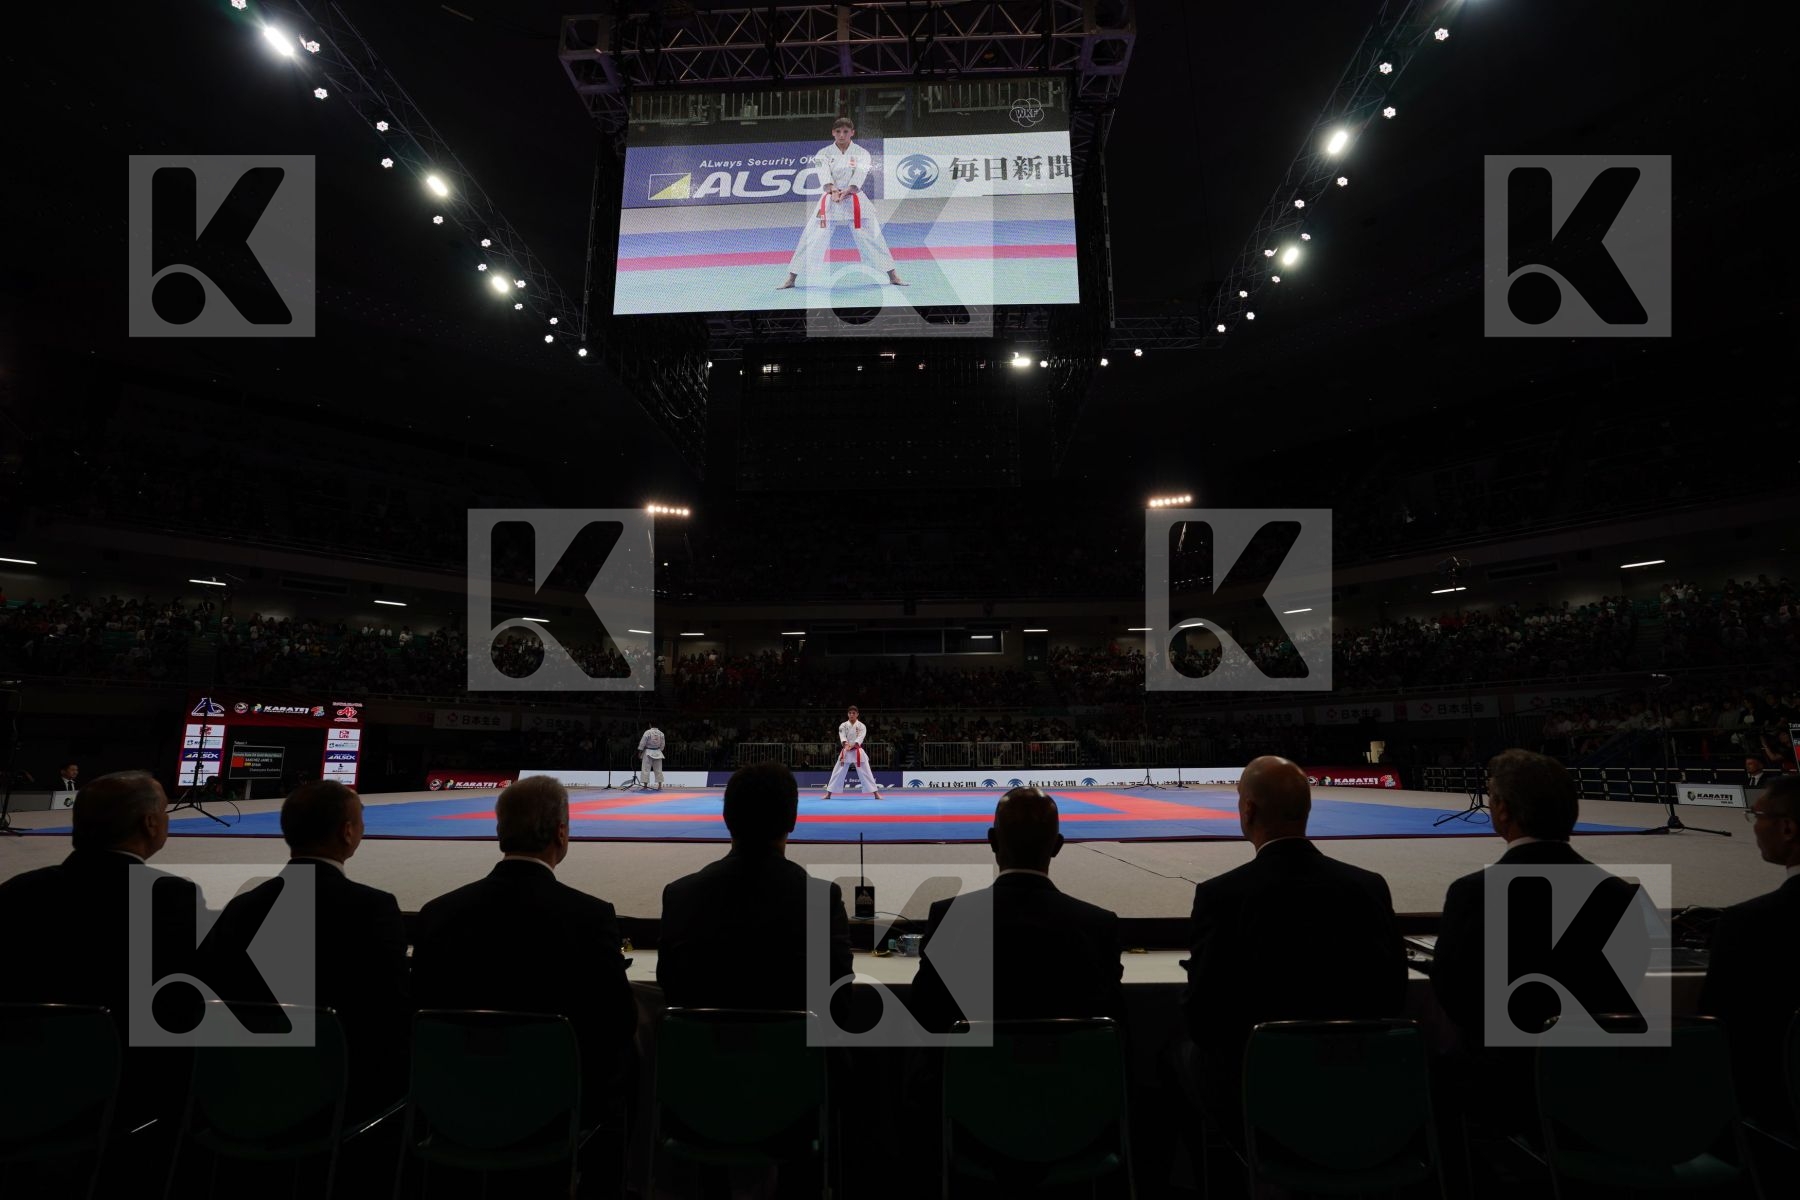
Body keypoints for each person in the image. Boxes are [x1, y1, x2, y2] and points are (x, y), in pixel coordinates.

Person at [1179, 756, 1406, 1137]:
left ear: (1248, 811)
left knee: (1172, 1059)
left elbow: (1203, 1020)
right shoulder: (1368, 887)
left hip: (1260, 1094)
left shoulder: (1221, 895)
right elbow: (1394, 995)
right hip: (1360, 1090)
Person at [1428, 749, 1648, 1132]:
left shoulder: (1472, 893)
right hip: (1600, 1094)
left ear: (1502, 811)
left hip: (1505, 1091)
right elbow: (1628, 986)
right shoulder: (1620, 894)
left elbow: (1454, 994)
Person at [411, 777, 638, 1118]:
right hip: (555, 1114)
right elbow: (618, 1022)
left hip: (452, 1109)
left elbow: (415, 1011)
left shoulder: (437, 913)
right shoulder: (589, 917)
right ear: (561, 833)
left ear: (500, 831)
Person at [0, 770, 197, 1129]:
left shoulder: (17, 891)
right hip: (121, 1093)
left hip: (16, 1080)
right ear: (150, 823)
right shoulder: (171, 897)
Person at [201, 781, 409, 1117]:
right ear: (347, 832)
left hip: (242, 1090)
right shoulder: (373, 908)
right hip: (338, 1095)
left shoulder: (242, 907)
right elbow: (391, 1007)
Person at [909, 787, 1123, 1031]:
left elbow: (923, 1017)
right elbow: (1115, 1025)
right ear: (1057, 846)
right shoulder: (1098, 926)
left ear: (992, 841)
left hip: (972, 1056)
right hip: (1069, 1056)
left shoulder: (948, 918)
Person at [659, 761, 853, 1010]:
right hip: (797, 1035)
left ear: (726, 818)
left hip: (703, 1035)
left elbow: (669, 987)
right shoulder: (822, 899)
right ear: (792, 821)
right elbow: (839, 1002)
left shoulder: (679, 896)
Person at [1700, 776, 1800, 1125]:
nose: (1754, 825)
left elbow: (1716, 1030)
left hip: (1774, 1114)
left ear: (1787, 828)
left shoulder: (1749, 922)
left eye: (1757, 815)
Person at [776, 117, 908, 291]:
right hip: (830, 200)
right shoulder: (823, 153)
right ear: (833, 133)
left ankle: (893, 275)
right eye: (838, 131)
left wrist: (847, 191)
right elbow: (823, 174)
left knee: (874, 237)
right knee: (811, 238)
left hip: (855, 199)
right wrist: (833, 190)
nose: (842, 135)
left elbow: (859, 175)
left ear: (852, 132)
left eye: (846, 131)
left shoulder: (862, 153)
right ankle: (791, 277)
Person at [822, 704, 884, 801]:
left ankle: (876, 794)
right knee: (837, 772)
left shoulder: (862, 726)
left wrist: (853, 745)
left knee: (866, 772)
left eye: (853, 713)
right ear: (848, 714)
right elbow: (842, 736)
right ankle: (828, 794)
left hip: (857, 751)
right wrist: (846, 745)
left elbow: (860, 738)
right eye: (850, 713)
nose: (851, 715)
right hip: (846, 751)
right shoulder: (843, 725)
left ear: (857, 714)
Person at [637, 722, 666, 790]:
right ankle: (659, 786)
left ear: (650, 725)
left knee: (645, 769)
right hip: (658, 752)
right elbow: (663, 744)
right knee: (658, 770)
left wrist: (640, 751)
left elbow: (642, 742)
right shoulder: (661, 733)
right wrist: (659, 750)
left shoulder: (647, 732)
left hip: (648, 752)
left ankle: (645, 786)